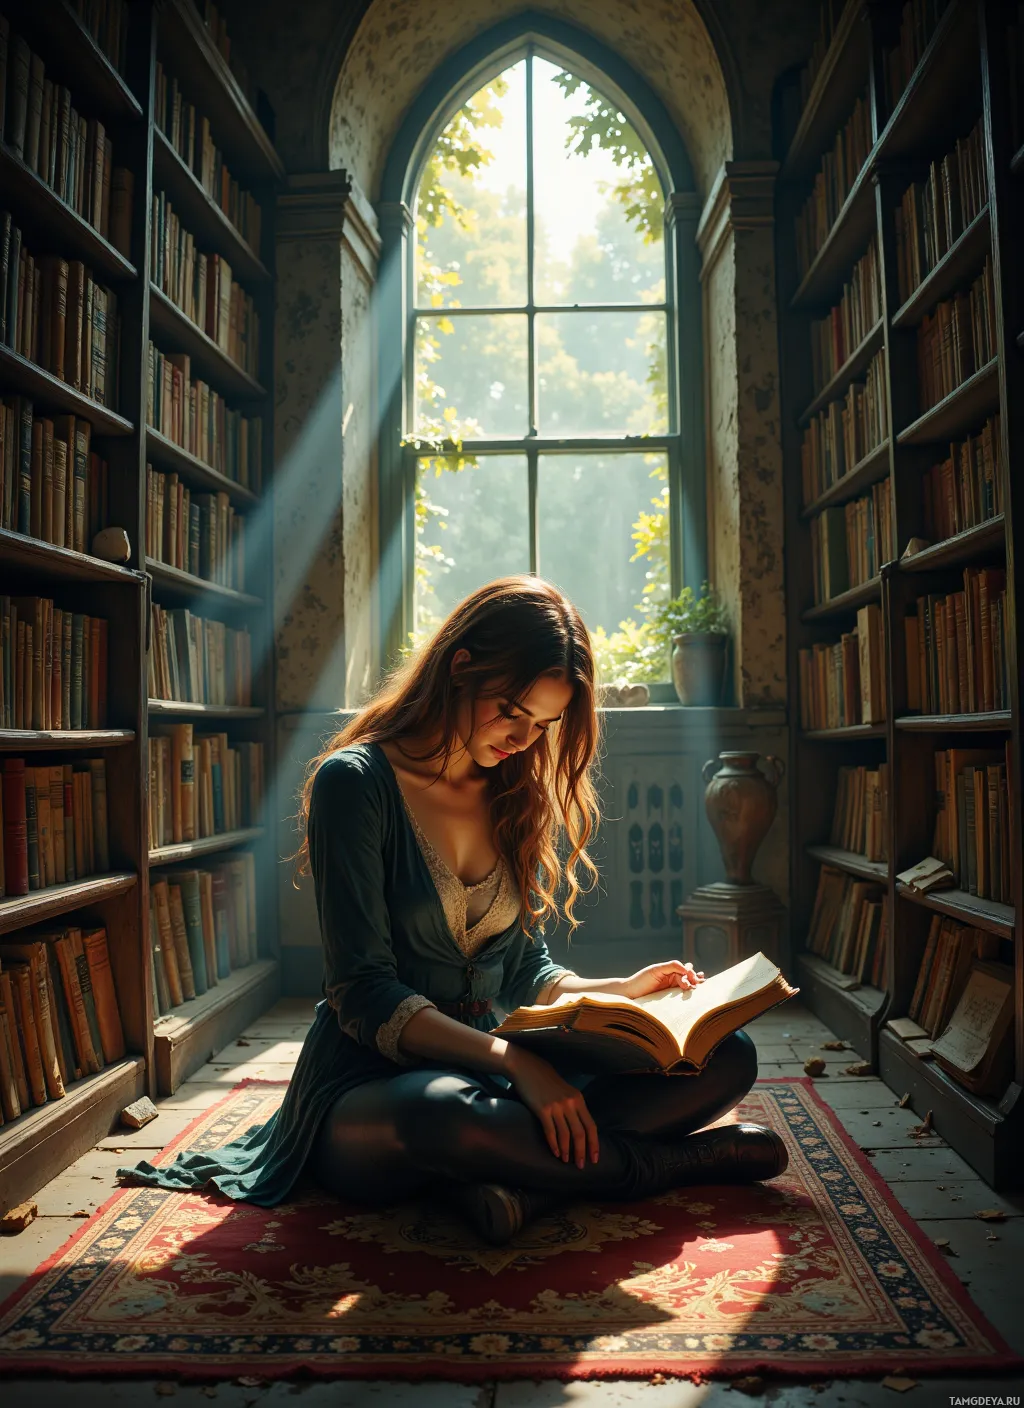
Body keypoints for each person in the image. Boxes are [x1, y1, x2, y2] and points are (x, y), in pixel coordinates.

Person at [122, 576, 786, 1243]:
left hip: (495, 1065)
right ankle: (663, 1166)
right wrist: (516, 1064)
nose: (523, 740)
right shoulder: (353, 784)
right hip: (376, 1086)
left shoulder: (514, 790)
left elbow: (526, 967)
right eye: (511, 712)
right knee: (448, 1119)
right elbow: (364, 993)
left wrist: (621, 992)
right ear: (461, 666)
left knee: (727, 1055)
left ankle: (518, 1184)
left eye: (541, 726)